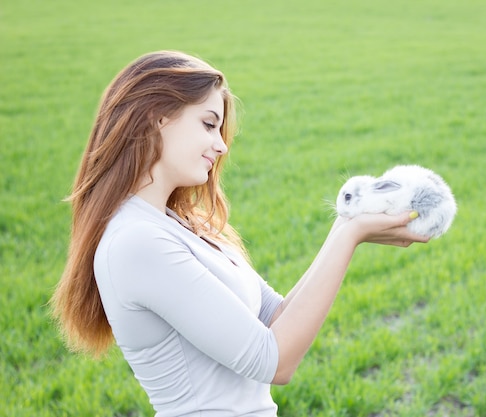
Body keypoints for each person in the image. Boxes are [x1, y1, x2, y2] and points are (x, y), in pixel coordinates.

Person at [51, 50, 428, 417]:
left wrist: (345, 225)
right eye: (208, 124)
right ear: (157, 118)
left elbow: (275, 316)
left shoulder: (175, 224)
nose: (221, 144)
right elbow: (275, 361)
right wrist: (350, 236)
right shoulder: (136, 242)